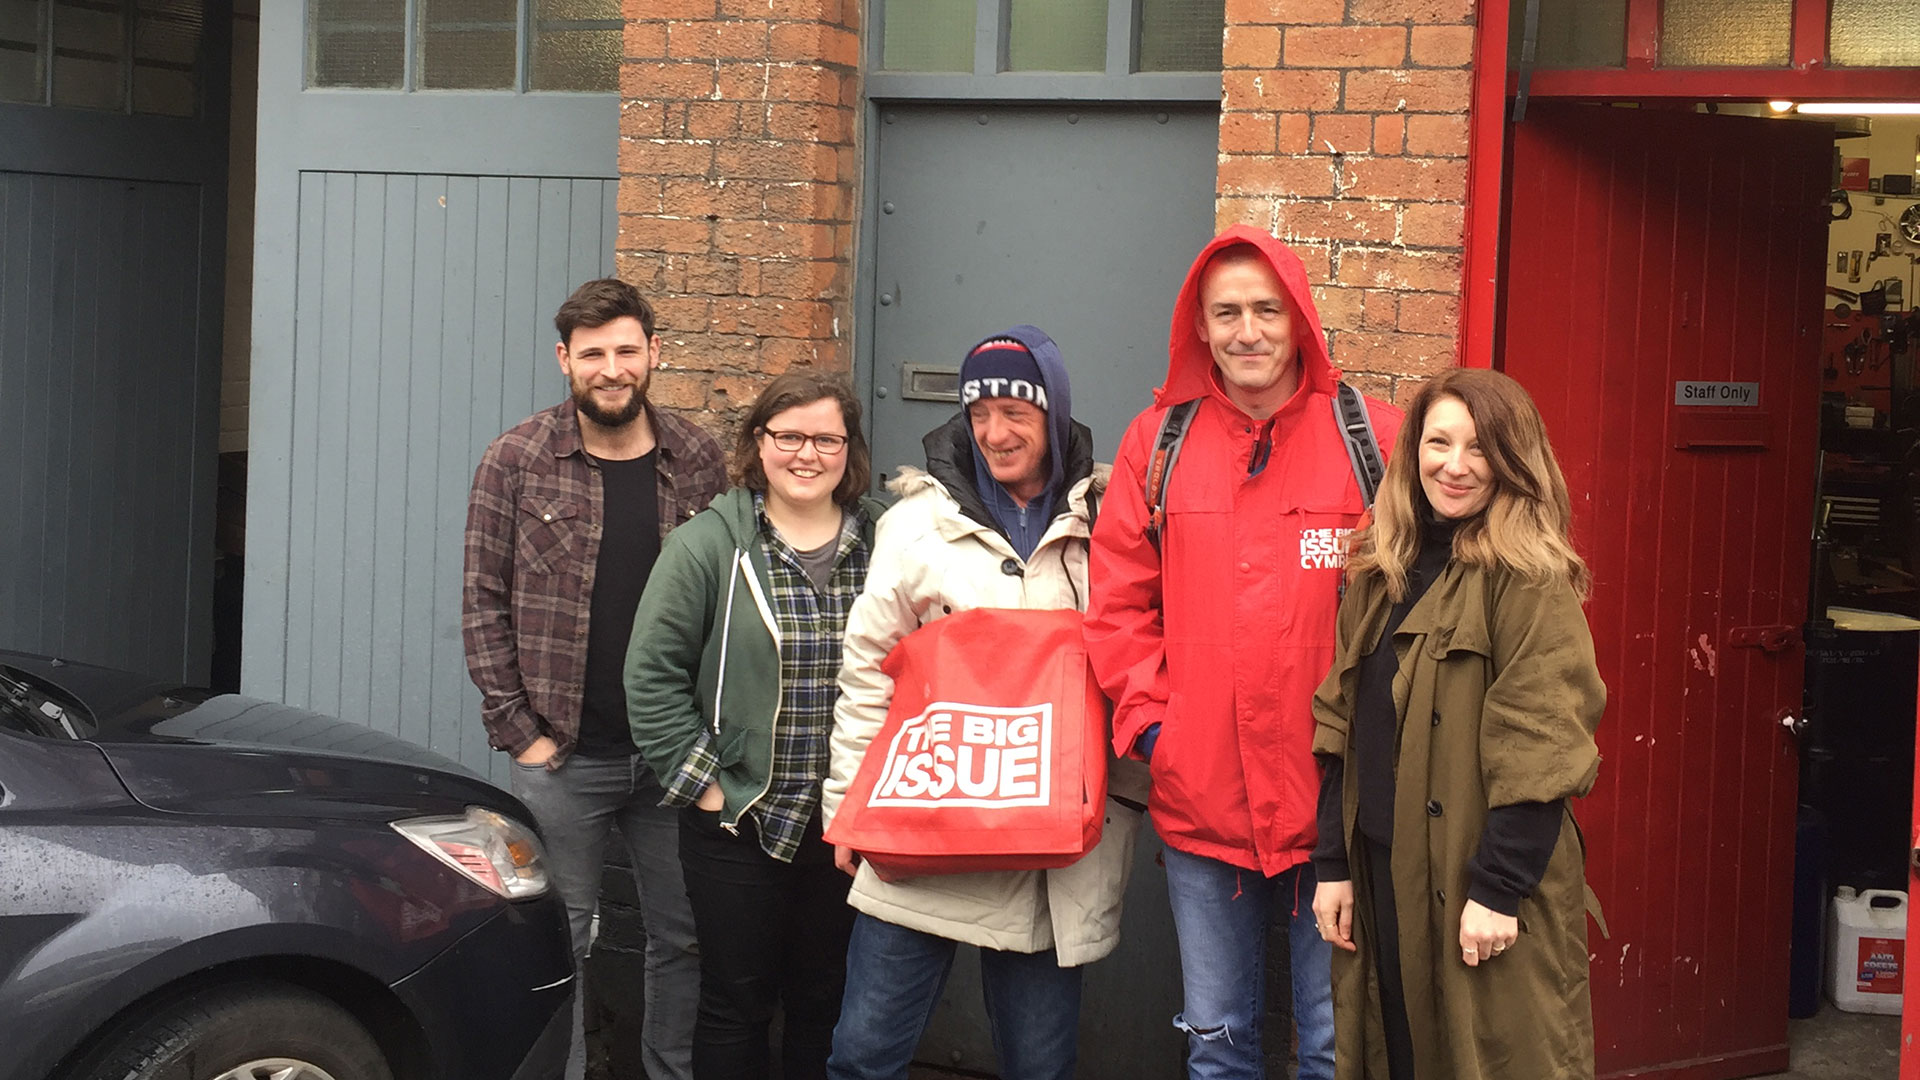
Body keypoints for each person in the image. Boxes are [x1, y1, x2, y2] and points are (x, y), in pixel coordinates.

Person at [1084, 225, 1403, 1080]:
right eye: (1226, 312)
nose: (1247, 331)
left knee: (1333, 1046)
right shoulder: (1156, 444)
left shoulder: (1376, 440)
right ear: (1201, 326)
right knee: (1218, 1044)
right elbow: (1117, 605)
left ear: (1299, 318)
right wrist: (1159, 732)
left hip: (1338, 804)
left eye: (1267, 308)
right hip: (1203, 799)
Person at [822, 327, 1148, 1080]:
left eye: (1017, 413)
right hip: (921, 830)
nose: (995, 433)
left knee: (1039, 1066)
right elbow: (870, 670)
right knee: (864, 1056)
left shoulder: (1110, 528)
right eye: (979, 414)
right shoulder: (915, 527)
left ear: (1055, 415)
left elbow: (1137, 666)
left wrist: (1127, 799)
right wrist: (849, 806)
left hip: (1051, 848)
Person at [1308, 367, 1605, 1080]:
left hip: (1477, 882)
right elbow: (1340, 721)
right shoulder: (1382, 568)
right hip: (1386, 875)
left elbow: (1544, 743)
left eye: (1479, 448)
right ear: (1413, 451)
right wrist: (1334, 865)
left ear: (1513, 458)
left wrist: (1498, 890)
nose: (1456, 465)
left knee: (1490, 1060)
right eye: (1439, 442)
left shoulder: (1527, 578)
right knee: (1398, 1055)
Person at [463, 277, 724, 1080]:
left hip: (676, 755)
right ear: (564, 360)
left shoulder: (698, 458)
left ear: (653, 352)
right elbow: (482, 600)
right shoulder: (516, 459)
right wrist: (522, 734)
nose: (611, 369)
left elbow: (725, 600)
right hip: (565, 758)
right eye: (593, 355)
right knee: (561, 936)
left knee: (683, 937)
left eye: (625, 350)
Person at [626, 372, 887, 1080]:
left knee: (824, 1001)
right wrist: (708, 790)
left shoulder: (885, 546)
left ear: (848, 449)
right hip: (740, 822)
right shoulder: (707, 547)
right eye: (789, 436)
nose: (807, 454)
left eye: (825, 438)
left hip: (845, 824)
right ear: (758, 443)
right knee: (735, 1005)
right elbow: (651, 679)